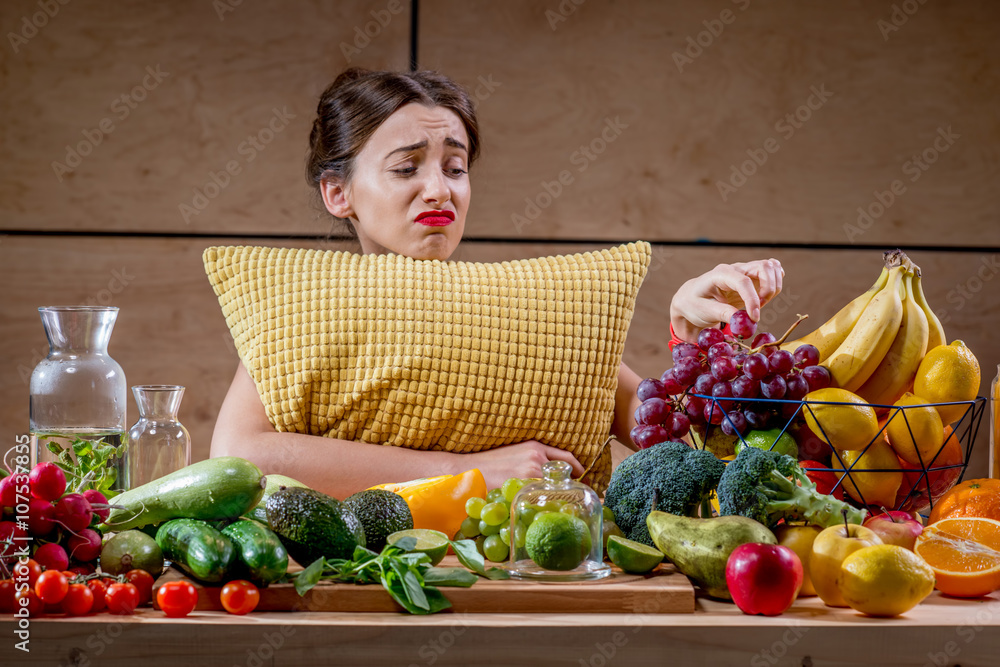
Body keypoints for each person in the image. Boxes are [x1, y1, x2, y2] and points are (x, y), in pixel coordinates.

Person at [210, 68, 784, 497]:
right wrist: (462, 472)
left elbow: (679, 446)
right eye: (407, 168)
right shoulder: (301, 307)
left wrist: (694, 338)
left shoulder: (534, 314)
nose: (440, 189)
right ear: (338, 193)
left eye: (455, 168)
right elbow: (240, 455)